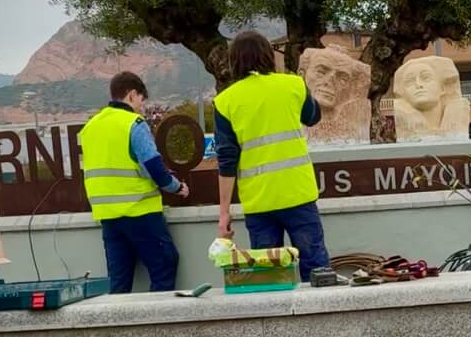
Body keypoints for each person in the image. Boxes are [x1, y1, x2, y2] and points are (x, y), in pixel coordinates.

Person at [214, 30, 330, 281]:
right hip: (298, 194)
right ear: (268, 56)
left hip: (259, 203)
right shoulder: (292, 85)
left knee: (270, 275)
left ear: (235, 61)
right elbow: (313, 116)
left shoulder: (225, 102)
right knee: (316, 268)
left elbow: (226, 161)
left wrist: (224, 214)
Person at [80, 71, 189, 293]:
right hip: (140, 212)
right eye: (141, 99)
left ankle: (120, 327)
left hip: (108, 216)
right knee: (164, 264)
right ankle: (156, 325)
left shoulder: (91, 127)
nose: (141, 106)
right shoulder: (133, 124)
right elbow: (154, 167)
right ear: (131, 95)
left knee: (119, 282)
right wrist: (177, 187)